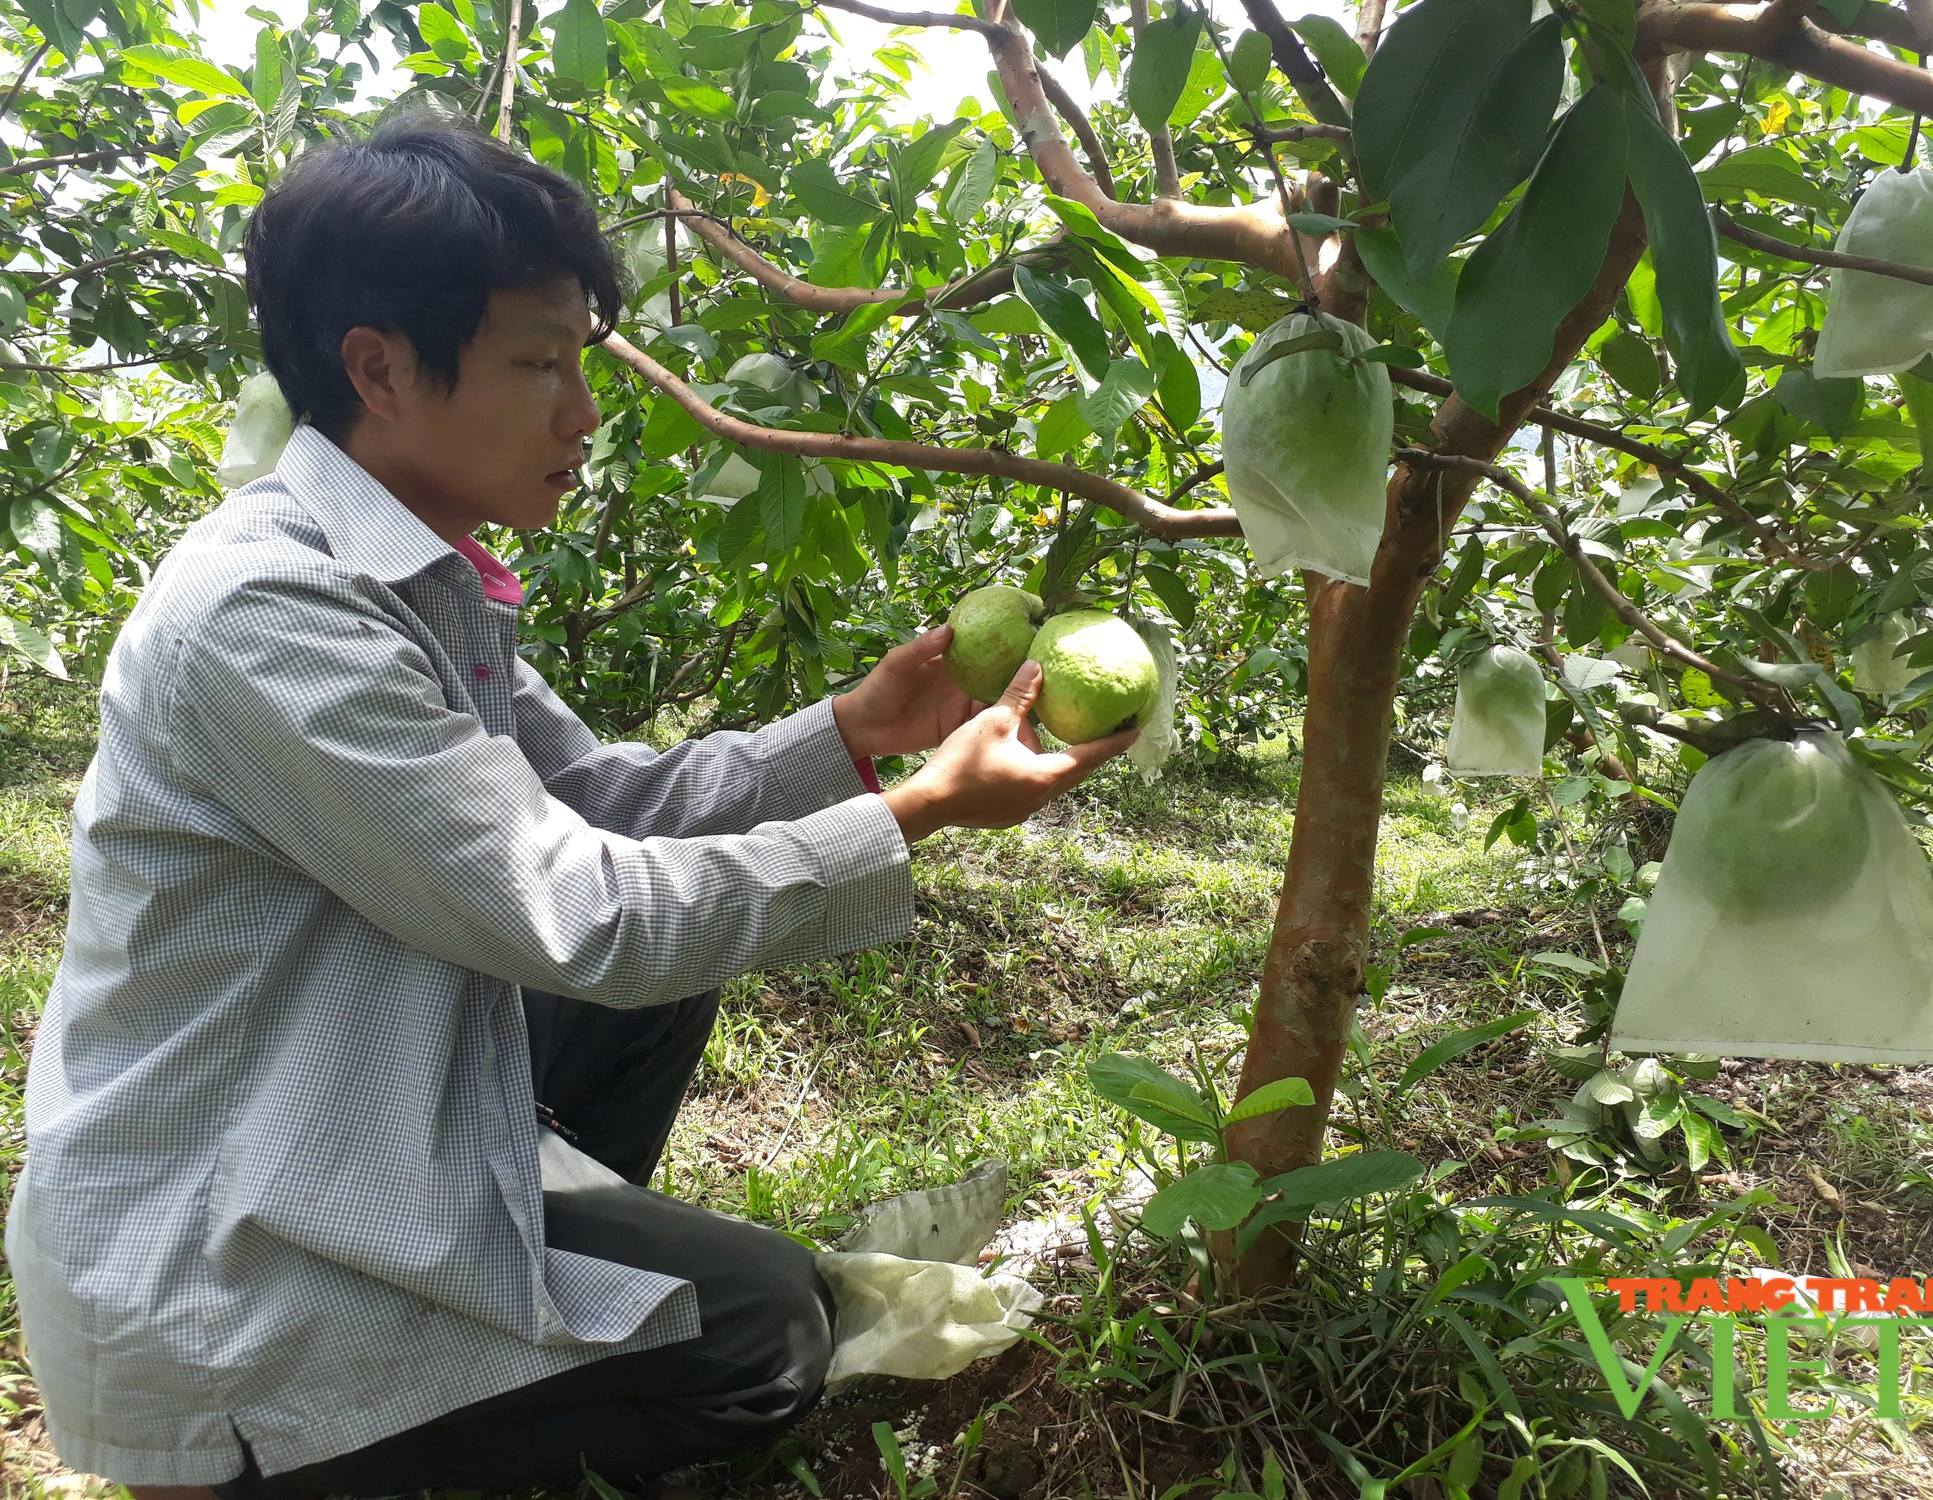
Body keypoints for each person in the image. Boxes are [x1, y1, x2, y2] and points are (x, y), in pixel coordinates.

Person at [6, 114, 1134, 1499]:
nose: (582, 414)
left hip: (337, 1130)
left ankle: (523, 1295)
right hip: (225, 1256)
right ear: (378, 369)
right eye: (539, 364)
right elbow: (582, 914)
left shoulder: (408, 578)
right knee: (766, 1336)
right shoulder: (269, 612)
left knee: (662, 988)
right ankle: (337, 1446)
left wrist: (855, 734)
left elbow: (602, 806)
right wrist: (917, 815)